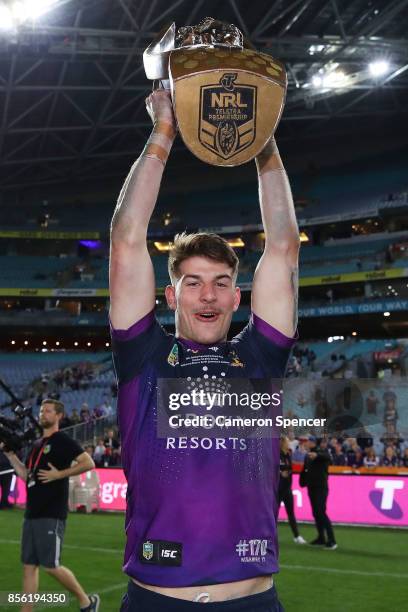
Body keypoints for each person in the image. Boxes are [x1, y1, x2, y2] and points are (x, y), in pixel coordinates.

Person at [109, 89, 300, 611]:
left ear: (239, 297)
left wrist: (264, 139)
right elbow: (126, 239)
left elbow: (283, 244)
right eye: (192, 283)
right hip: (156, 600)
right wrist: (163, 130)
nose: (208, 295)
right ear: (170, 296)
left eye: (220, 282)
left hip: (253, 601)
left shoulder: (260, 356)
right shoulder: (143, 356)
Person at [2, 399, 100, 612]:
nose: (42, 414)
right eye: (41, 410)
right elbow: (27, 475)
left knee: (50, 566)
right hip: (32, 513)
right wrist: (10, 456)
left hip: (51, 513)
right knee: (29, 566)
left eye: (48, 411)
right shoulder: (37, 444)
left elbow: (88, 462)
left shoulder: (62, 440)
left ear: (58, 416)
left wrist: (60, 474)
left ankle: (87, 602)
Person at [302, 435, 337, 549]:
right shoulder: (308, 456)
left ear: (313, 443)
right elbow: (305, 470)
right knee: (316, 513)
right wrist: (302, 482)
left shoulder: (321, 452)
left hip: (321, 487)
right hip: (311, 487)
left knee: (321, 512)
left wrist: (317, 455)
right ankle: (321, 537)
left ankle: (332, 540)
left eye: (308, 441)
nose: (306, 443)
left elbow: (328, 457)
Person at [278, 436, 306, 544]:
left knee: (291, 513)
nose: (289, 444)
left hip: (287, 488)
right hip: (278, 489)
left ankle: (297, 536)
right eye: (287, 442)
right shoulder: (276, 455)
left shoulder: (288, 454)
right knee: (273, 513)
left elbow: (290, 468)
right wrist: (280, 473)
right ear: (283, 443)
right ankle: (268, 534)